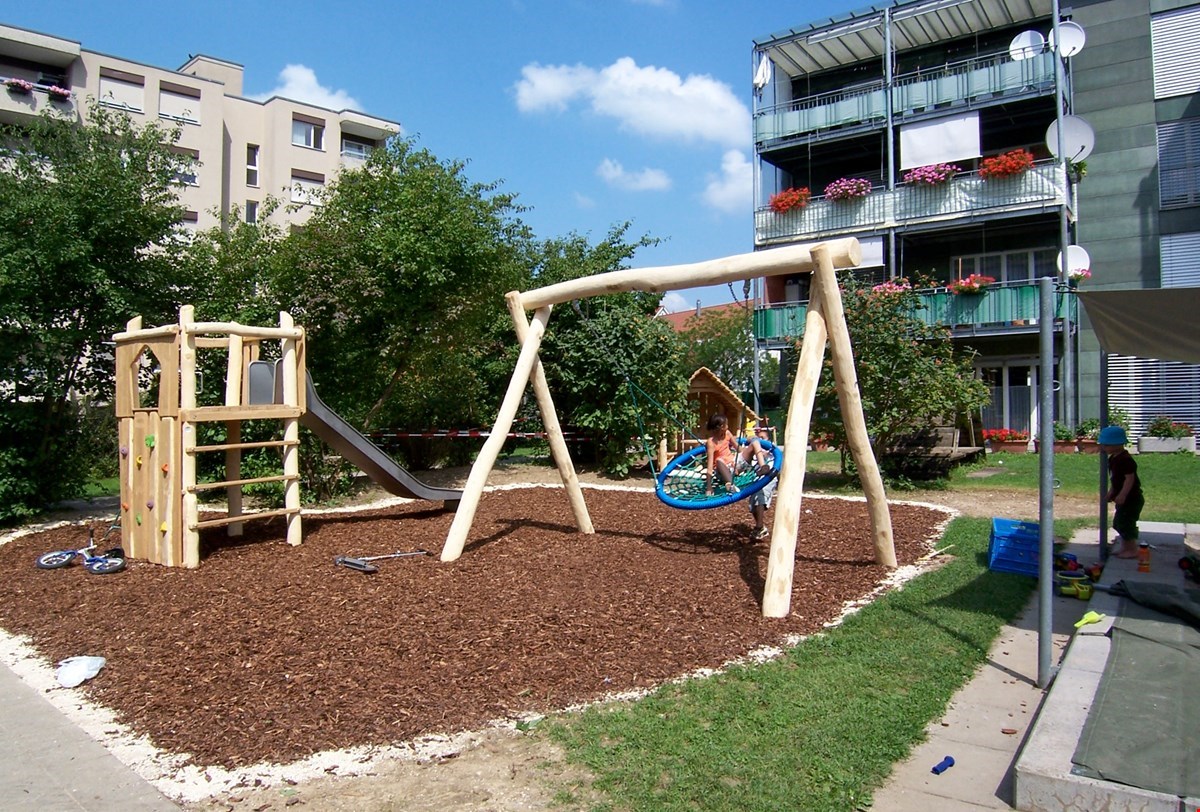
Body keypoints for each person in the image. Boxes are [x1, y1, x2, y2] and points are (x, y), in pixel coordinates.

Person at [1098, 425, 1143, 559]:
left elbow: (1129, 479)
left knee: (1125, 523)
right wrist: (1111, 493)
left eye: (1106, 445)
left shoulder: (1126, 460)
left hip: (1132, 498)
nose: (1103, 447)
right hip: (1123, 497)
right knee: (1118, 523)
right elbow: (1115, 479)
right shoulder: (1113, 459)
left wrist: (1122, 494)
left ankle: (1133, 549)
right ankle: (1125, 548)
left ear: (1117, 444)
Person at [704, 413, 769, 496]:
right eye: (726, 424)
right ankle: (730, 484)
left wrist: (750, 444)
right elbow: (709, 467)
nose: (728, 426)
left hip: (735, 464)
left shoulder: (727, 433)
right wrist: (709, 487)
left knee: (755, 442)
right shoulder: (711, 443)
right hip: (722, 470)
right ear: (721, 427)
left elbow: (738, 449)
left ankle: (762, 466)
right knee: (718, 460)